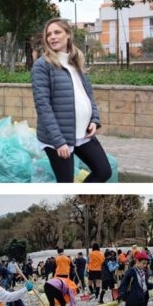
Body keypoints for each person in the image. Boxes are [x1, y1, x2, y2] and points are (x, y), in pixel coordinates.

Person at [31, 18, 112, 183]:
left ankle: (79, 202)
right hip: (59, 138)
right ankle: (72, 206)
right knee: (66, 183)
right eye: (49, 34)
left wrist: (95, 119)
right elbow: (43, 106)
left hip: (83, 133)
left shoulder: (76, 62)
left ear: (68, 34)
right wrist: (58, 142)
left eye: (57, 32)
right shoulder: (42, 66)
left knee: (103, 171)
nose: (52, 37)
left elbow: (88, 95)